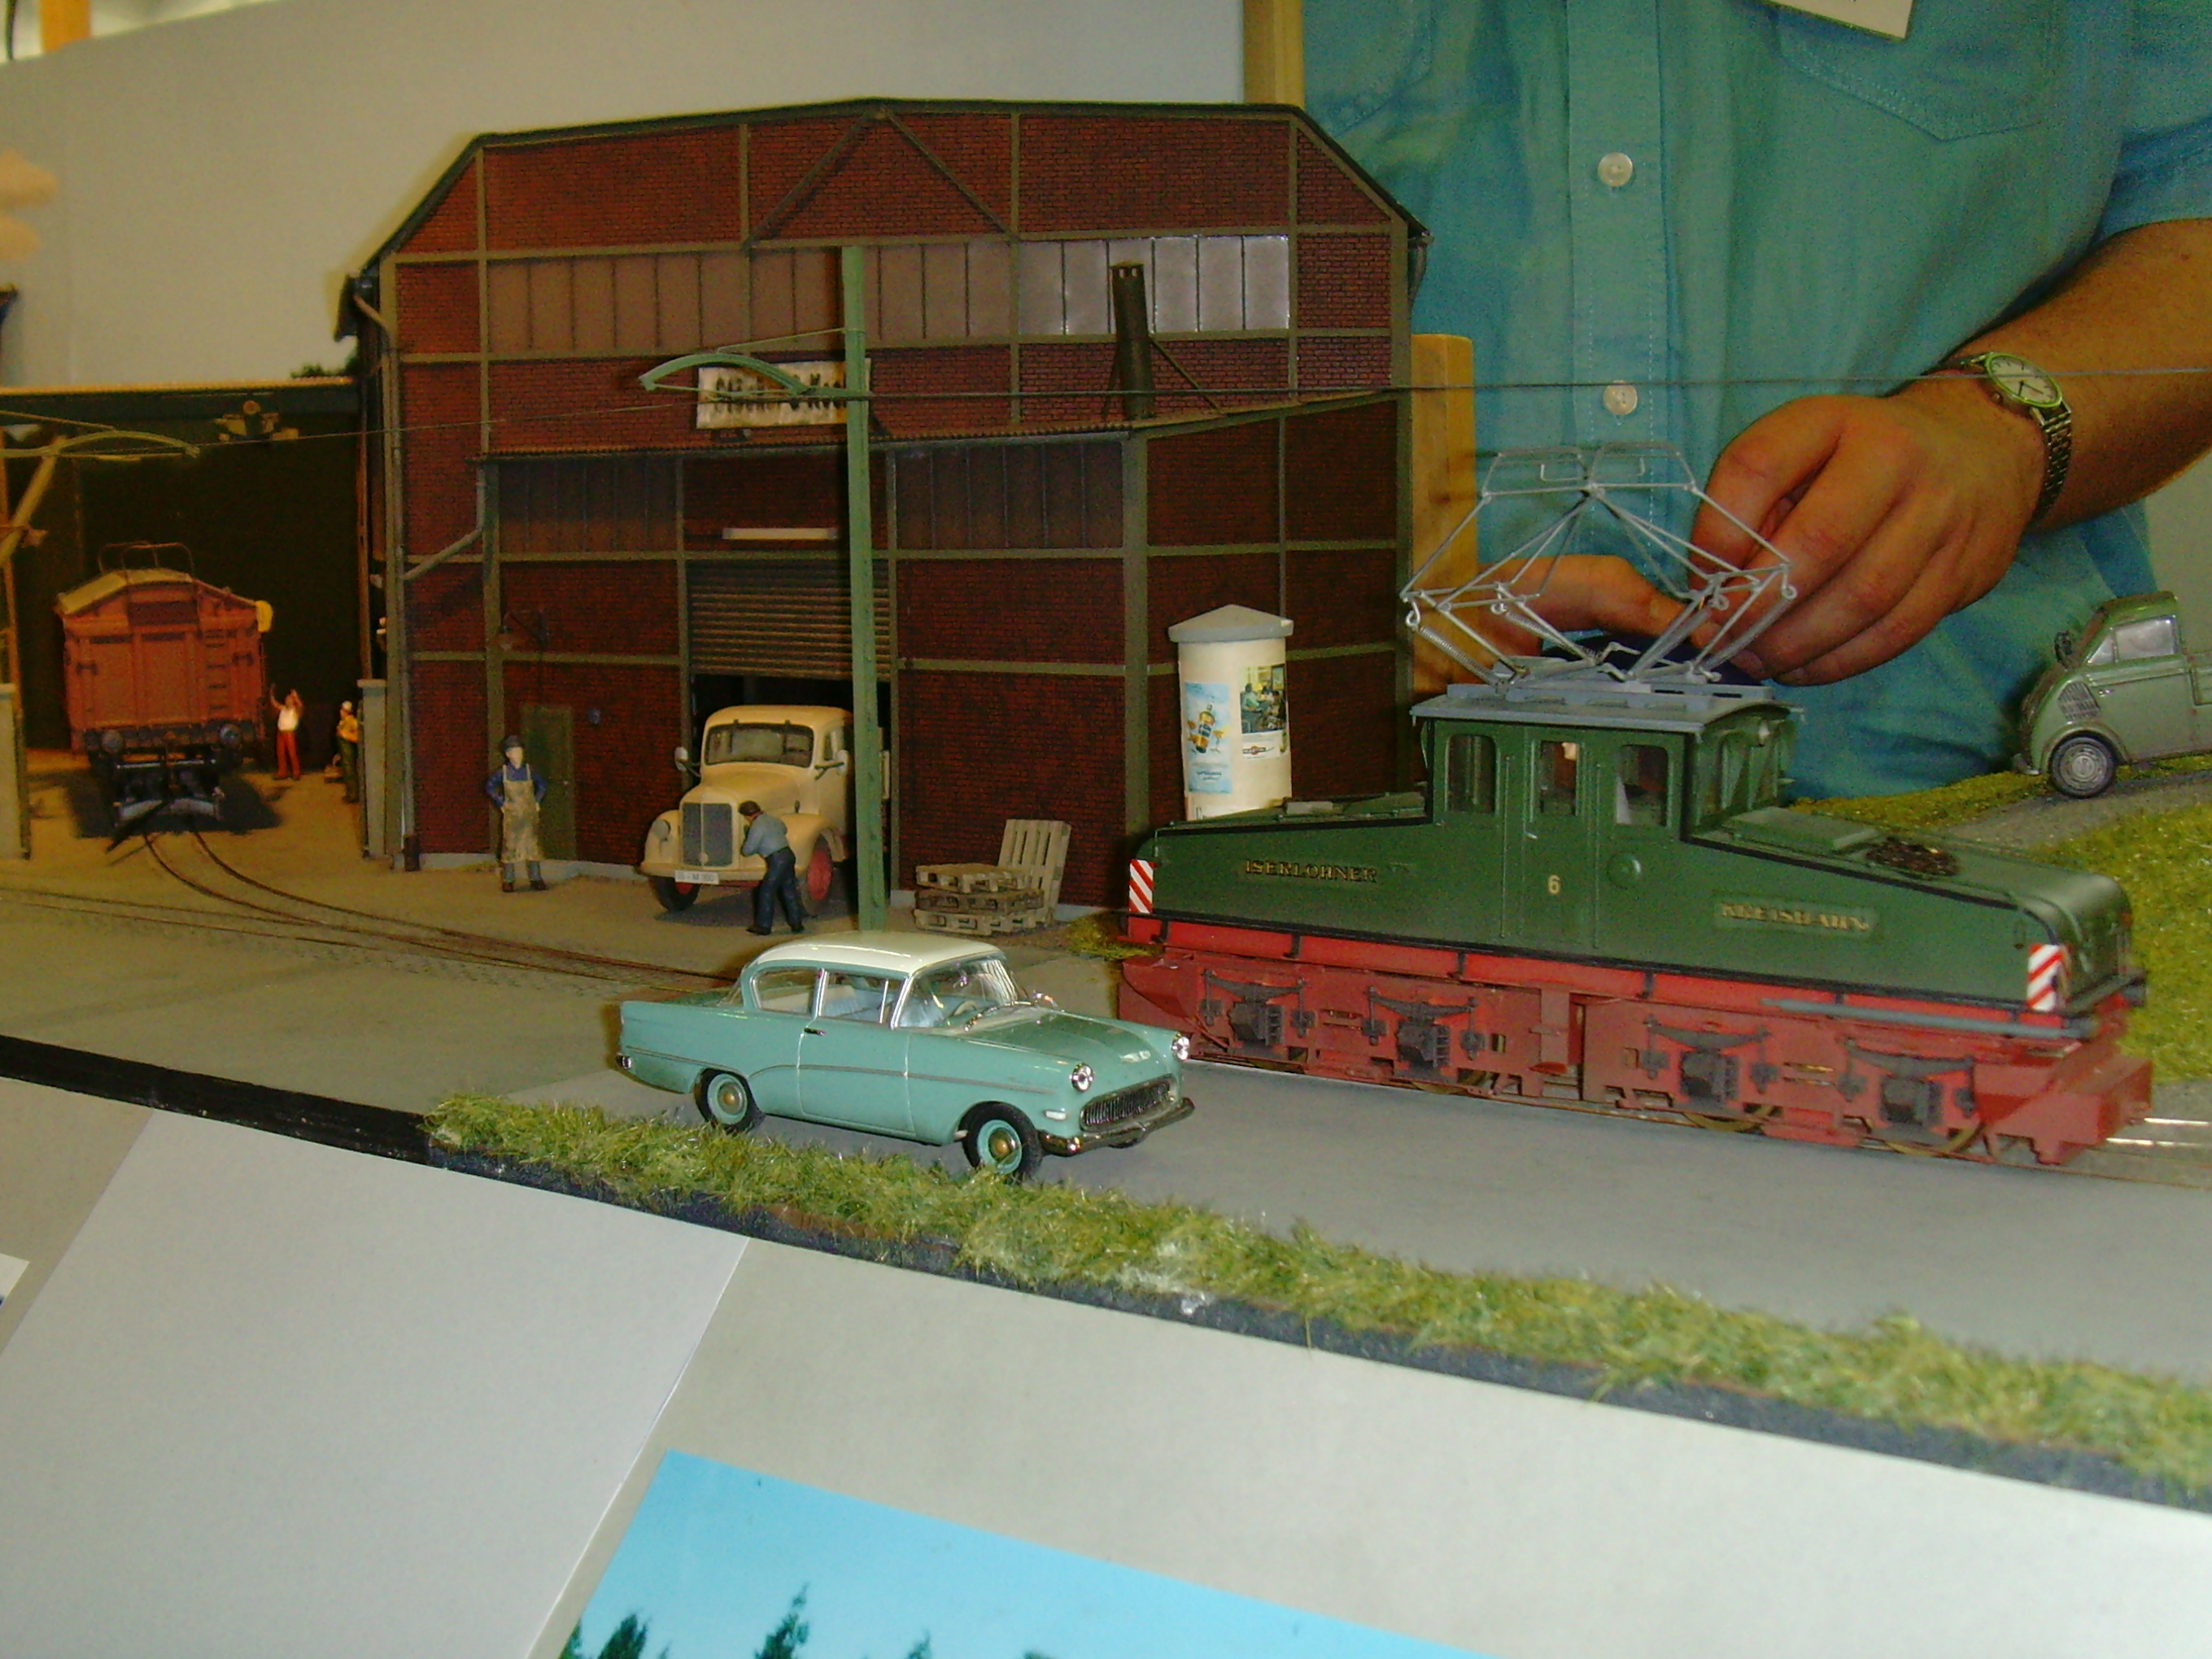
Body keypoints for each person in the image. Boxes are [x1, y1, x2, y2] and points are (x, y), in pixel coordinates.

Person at [1306, 4, 2212, 798]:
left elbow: (2190, 189)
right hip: (1332, 806)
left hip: (1977, 791)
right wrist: (1319, 638)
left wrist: (1999, 432)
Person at [483, 736, 548, 893]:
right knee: (510, 847)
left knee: (532, 846)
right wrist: (501, 803)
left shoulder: (529, 771)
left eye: (520, 751)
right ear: (508, 754)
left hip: (529, 814)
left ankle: (536, 878)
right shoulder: (503, 772)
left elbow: (543, 785)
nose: (518, 755)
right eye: (514, 752)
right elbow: (490, 786)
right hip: (512, 815)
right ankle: (509, 879)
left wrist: (537, 801)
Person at [738, 799, 805, 936]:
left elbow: (747, 850)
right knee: (789, 890)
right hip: (788, 854)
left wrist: (748, 837)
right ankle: (796, 923)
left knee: (766, 892)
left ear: (747, 816)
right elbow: (784, 830)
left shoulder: (757, 826)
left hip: (776, 859)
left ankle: (763, 926)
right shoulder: (773, 820)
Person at [269, 688, 303, 780]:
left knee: (292, 753)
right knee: (280, 753)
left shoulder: (295, 710)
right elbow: (275, 704)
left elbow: (300, 706)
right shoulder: (283, 708)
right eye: (286, 699)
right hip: (281, 733)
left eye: (289, 699)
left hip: (289, 734)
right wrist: (271, 695)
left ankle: (296, 772)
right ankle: (282, 771)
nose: (287, 701)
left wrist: (296, 697)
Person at [334, 700, 362, 804]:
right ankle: (350, 793)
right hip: (345, 754)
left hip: (349, 754)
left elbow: (357, 737)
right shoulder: (343, 722)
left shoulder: (352, 722)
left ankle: (353, 795)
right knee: (347, 773)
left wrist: (345, 735)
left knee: (350, 774)